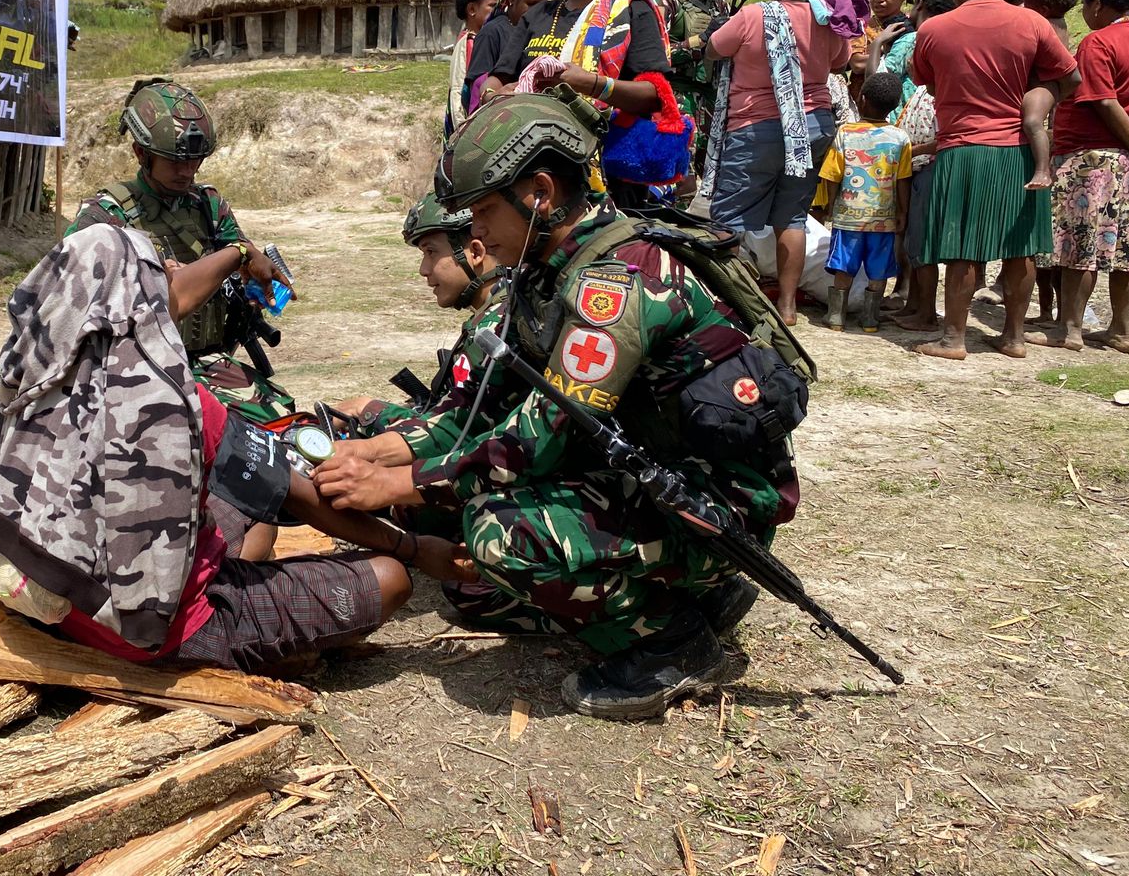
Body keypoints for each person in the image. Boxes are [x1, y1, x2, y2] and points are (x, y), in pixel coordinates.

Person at [314, 90, 799, 719]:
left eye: (483, 210)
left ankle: (670, 645)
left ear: (540, 192)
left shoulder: (615, 283)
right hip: (657, 484)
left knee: (497, 533)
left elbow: (529, 442)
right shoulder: (545, 275)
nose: (475, 232)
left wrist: (400, 484)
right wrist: (375, 455)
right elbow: (476, 413)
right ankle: (693, 596)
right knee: (468, 518)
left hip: (712, 506)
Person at [0, 223, 472, 674]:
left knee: (247, 513)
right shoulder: (177, 401)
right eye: (160, 272)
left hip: (60, 597)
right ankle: (244, 650)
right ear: (140, 298)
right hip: (162, 633)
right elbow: (297, 496)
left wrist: (239, 253)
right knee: (390, 579)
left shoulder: (32, 370)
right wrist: (410, 546)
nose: (174, 278)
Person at [70, 78, 294, 420]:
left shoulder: (208, 205)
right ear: (140, 153)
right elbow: (71, 301)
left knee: (280, 417)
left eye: (195, 161)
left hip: (207, 360)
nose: (187, 171)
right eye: (175, 162)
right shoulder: (104, 216)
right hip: (135, 369)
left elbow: (238, 253)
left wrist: (253, 281)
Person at [910, 0, 1078, 361]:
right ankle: (1014, 337)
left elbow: (926, 80)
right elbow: (1071, 79)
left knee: (963, 247)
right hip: (1019, 151)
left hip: (961, 150)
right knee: (1020, 246)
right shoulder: (1034, 24)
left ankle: (953, 338)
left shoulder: (933, 29)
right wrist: (1037, 100)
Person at [480, 0, 679, 208]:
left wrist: (589, 83)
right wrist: (494, 94)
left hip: (606, 186)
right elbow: (497, 78)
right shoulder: (538, 16)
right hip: (527, 174)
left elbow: (655, 96)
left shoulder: (630, 11)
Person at [703, 0, 851, 324]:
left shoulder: (755, 15)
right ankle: (787, 307)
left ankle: (729, 301)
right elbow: (841, 59)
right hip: (814, 126)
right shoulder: (825, 18)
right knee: (793, 216)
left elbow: (715, 47)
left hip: (758, 126)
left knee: (729, 216)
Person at [1027, 0, 1129, 354]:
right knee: (1128, 246)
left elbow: (1104, 100)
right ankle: (1121, 330)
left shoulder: (1098, 43)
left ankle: (1070, 330)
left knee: (1079, 246)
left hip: (1092, 158)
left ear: (1096, 4)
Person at [338, 194, 503, 441]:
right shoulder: (492, 316)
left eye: (431, 252)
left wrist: (367, 410)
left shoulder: (496, 329)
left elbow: (455, 435)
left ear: (475, 252)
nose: (423, 270)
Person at [874, 0, 956, 333]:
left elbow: (942, 138)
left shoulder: (935, 92)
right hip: (917, 164)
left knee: (920, 241)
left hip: (925, 166)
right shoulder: (924, 92)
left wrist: (910, 149)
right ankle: (914, 305)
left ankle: (925, 312)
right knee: (912, 238)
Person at [816, 73, 912, 332]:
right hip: (884, 219)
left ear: (862, 99)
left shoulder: (846, 132)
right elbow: (903, 179)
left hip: (849, 216)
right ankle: (870, 319)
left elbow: (832, 174)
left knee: (844, 267)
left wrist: (830, 205)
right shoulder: (900, 138)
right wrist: (903, 211)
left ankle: (836, 317)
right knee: (879, 270)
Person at [1020, 0, 1081, 321]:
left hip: (1044, 115)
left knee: (1046, 242)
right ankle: (1049, 313)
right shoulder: (1060, 27)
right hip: (1055, 118)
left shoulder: (1045, 29)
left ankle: (1047, 311)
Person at [660, 0, 731, 126]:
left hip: (713, 104)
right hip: (678, 103)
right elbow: (657, 56)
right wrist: (701, 40)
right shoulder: (666, 1)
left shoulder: (718, 4)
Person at [465, 0, 549, 116]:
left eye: (543, 5)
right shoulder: (491, 33)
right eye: (531, 4)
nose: (537, 11)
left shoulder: (540, 32)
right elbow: (477, 88)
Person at [446, 0, 500, 138]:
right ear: (472, 10)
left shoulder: (483, 39)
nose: (497, 11)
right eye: (492, 6)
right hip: (469, 127)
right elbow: (457, 90)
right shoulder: (468, 43)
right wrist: (462, 133)